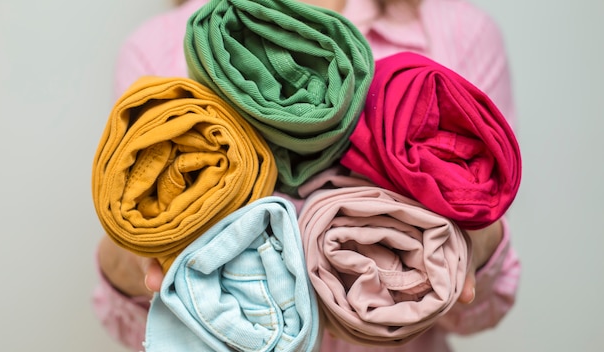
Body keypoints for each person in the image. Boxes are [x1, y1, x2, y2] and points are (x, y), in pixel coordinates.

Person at [94, 0, 521, 351]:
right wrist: (143, 248)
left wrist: (469, 240)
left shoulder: (462, 32)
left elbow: (487, 304)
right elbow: (133, 326)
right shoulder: (158, 42)